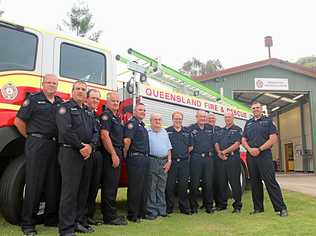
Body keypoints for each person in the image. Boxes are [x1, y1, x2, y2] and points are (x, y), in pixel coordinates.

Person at [15, 74, 62, 236]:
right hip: (37, 144)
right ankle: (27, 223)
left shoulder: (59, 103)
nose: (51, 85)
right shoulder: (33, 99)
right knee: (34, 183)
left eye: (54, 83)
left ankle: (50, 219)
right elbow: (19, 121)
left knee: (52, 183)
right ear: (43, 84)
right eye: (49, 82)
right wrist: (30, 138)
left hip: (54, 145)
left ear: (57, 86)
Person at [56, 81, 99, 236]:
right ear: (72, 91)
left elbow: (95, 132)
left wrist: (91, 147)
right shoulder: (65, 108)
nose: (80, 91)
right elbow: (65, 131)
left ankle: (78, 222)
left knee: (82, 191)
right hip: (71, 153)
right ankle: (66, 229)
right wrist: (81, 147)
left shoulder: (88, 112)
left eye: (83, 89)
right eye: (78, 89)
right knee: (70, 192)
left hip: (87, 155)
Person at [242, 101, 288, 217]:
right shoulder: (248, 123)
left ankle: (281, 208)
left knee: (270, 181)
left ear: (261, 109)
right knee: (255, 183)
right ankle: (258, 208)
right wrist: (249, 149)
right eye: (253, 108)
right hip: (251, 156)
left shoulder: (268, 122)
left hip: (264, 155)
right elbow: (243, 139)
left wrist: (259, 149)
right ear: (251, 110)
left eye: (257, 108)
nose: (255, 110)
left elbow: (273, 139)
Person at [99, 92, 127, 225]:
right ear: (107, 102)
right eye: (113, 101)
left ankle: (112, 214)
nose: (116, 103)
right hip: (111, 153)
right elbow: (104, 136)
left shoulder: (116, 117)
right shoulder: (106, 116)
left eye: (117, 101)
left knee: (113, 186)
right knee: (109, 186)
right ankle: (109, 218)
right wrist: (113, 154)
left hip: (117, 151)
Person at [123, 103, 150, 223]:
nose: (142, 112)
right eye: (140, 110)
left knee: (143, 187)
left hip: (144, 159)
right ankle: (132, 214)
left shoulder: (142, 125)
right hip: (135, 158)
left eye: (144, 110)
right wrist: (126, 157)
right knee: (135, 187)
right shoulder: (131, 124)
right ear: (134, 112)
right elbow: (127, 141)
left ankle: (142, 212)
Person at [215, 111, 243, 213]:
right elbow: (216, 142)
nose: (227, 119)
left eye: (229, 117)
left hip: (232, 159)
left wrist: (224, 152)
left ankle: (237, 206)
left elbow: (237, 144)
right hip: (221, 160)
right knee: (222, 183)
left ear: (233, 118)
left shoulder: (237, 129)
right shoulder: (220, 131)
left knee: (235, 183)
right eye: (226, 117)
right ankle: (223, 205)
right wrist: (219, 152)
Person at [145, 113, 172, 219]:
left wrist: (169, 161)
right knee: (151, 187)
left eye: (159, 120)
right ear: (151, 121)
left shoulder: (164, 132)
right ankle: (152, 211)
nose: (158, 121)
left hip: (164, 161)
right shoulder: (147, 132)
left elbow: (169, 148)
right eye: (155, 120)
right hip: (152, 160)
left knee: (161, 187)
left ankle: (162, 210)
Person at [189, 110, 215, 214]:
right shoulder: (191, 128)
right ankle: (193, 207)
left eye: (204, 117)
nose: (202, 119)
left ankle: (208, 206)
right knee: (194, 184)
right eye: (200, 117)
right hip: (196, 158)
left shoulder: (210, 128)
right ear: (196, 117)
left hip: (208, 159)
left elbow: (215, 142)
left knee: (208, 183)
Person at [166, 111, 192, 215]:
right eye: (176, 119)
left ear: (182, 120)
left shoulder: (187, 132)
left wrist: (183, 154)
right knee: (170, 186)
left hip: (184, 163)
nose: (178, 120)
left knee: (183, 186)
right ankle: (169, 208)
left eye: (180, 119)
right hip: (172, 163)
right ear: (172, 119)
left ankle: (184, 208)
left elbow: (191, 147)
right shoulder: (167, 131)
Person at [85, 89, 103, 225]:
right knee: (83, 187)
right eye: (93, 98)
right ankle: (80, 217)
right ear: (87, 99)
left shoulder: (96, 115)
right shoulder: (83, 113)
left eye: (97, 99)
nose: (95, 101)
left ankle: (89, 215)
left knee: (93, 186)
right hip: (86, 153)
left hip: (97, 153)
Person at [206, 112, 222, 210]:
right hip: (208, 158)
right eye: (209, 118)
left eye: (213, 118)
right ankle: (207, 202)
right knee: (208, 181)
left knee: (218, 181)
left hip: (218, 158)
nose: (211, 120)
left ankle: (219, 203)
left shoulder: (219, 130)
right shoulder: (204, 129)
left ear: (215, 120)